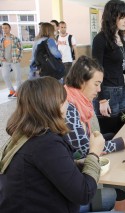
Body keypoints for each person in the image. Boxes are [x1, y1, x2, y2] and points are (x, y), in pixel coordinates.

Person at [0, 77, 106, 213]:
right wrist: (94, 152)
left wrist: (74, 164)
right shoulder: (45, 143)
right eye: (64, 100)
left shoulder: (26, 134)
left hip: (34, 203)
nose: (67, 103)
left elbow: (46, 167)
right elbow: (84, 194)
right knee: (109, 198)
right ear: (54, 105)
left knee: (108, 196)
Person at [64, 55, 125, 212]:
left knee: (111, 136)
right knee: (120, 185)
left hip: (72, 163)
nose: (99, 90)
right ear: (81, 81)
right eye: (96, 84)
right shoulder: (68, 108)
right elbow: (87, 150)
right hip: (73, 172)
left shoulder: (74, 98)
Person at [92, 0, 125, 136]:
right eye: (122, 17)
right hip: (107, 91)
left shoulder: (119, 37)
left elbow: (117, 64)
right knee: (110, 134)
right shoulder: (100, 39)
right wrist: (102, 99)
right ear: (112, 17)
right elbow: (96, 70)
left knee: (122, 130)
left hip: (121, 90)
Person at [0, 23, 22, 98]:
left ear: (9, 28)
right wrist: (1, 57)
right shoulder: (2, 39)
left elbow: (20, 48)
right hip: (5, 61)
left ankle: (18, 91)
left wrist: (20, 58)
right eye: (3, 28)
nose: (4, 29)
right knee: (5, 76)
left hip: (15, 60)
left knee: (17, 77)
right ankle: (11, 90)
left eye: (6, 28)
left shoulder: (15, 38)